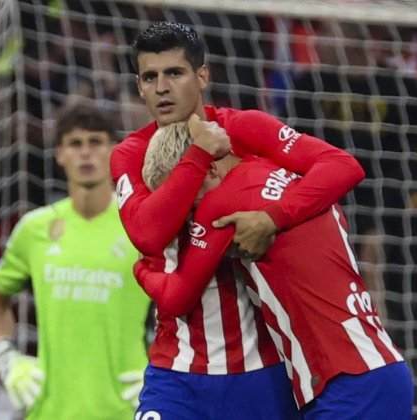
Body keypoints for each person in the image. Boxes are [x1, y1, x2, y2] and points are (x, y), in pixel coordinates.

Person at [110, 21, 364, 419]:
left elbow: (341, 166)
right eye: (150, 77)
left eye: (174, 73)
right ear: (139, 86)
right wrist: (199, 154)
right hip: (176, 372)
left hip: (262, 374)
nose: (162, 87)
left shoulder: (244, 128)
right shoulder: (129, 153)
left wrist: (272, 218)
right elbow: (147, 233)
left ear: (203, 76)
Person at [136, 122, 413, 419]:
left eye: (186, 202)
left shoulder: (222, 204)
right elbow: (344, 165)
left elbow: (176, 297)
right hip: (372, 369)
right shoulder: (289, 175)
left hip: (347, 383)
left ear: (211, 170)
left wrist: (141, 268)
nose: (187, 218)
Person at [0, 103, 150, 419]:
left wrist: (161, 374)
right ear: (59, 154)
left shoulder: (139, 224)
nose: (86, 153)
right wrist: (6, 356)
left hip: (126, 408)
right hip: (49, 410)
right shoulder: (35, 228)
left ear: (114, 151)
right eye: (75, 144)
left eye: (96, 142)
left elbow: (182, 303)